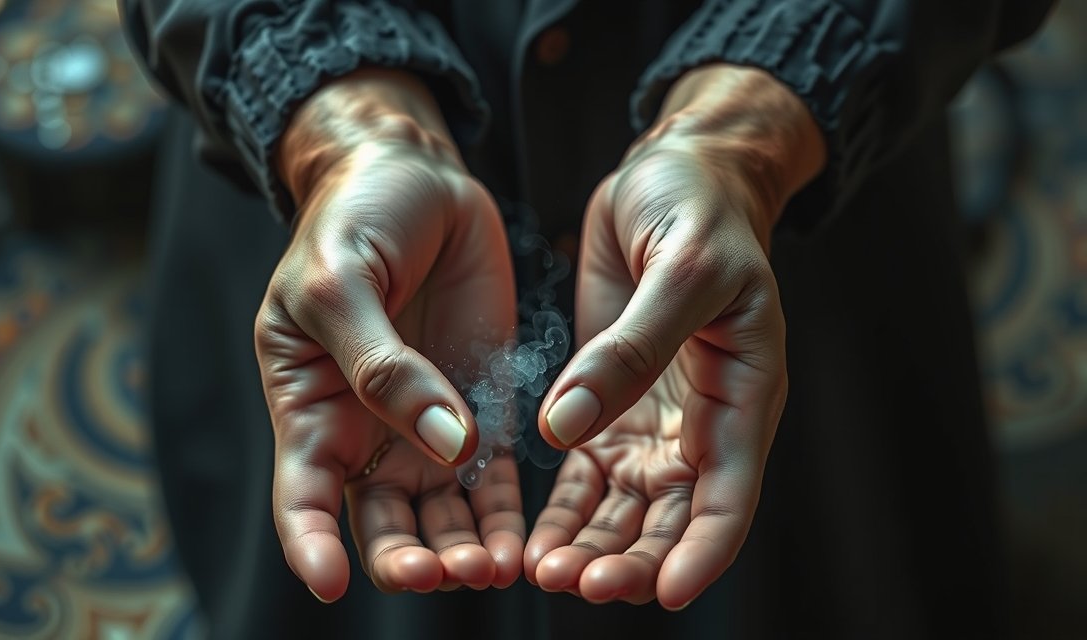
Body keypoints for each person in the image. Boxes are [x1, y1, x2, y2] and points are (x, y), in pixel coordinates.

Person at [122, 1, 1052, 638]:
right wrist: (344, 128)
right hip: (343, 246)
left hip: (796, 233)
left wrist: (746, 135)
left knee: (831, 566)